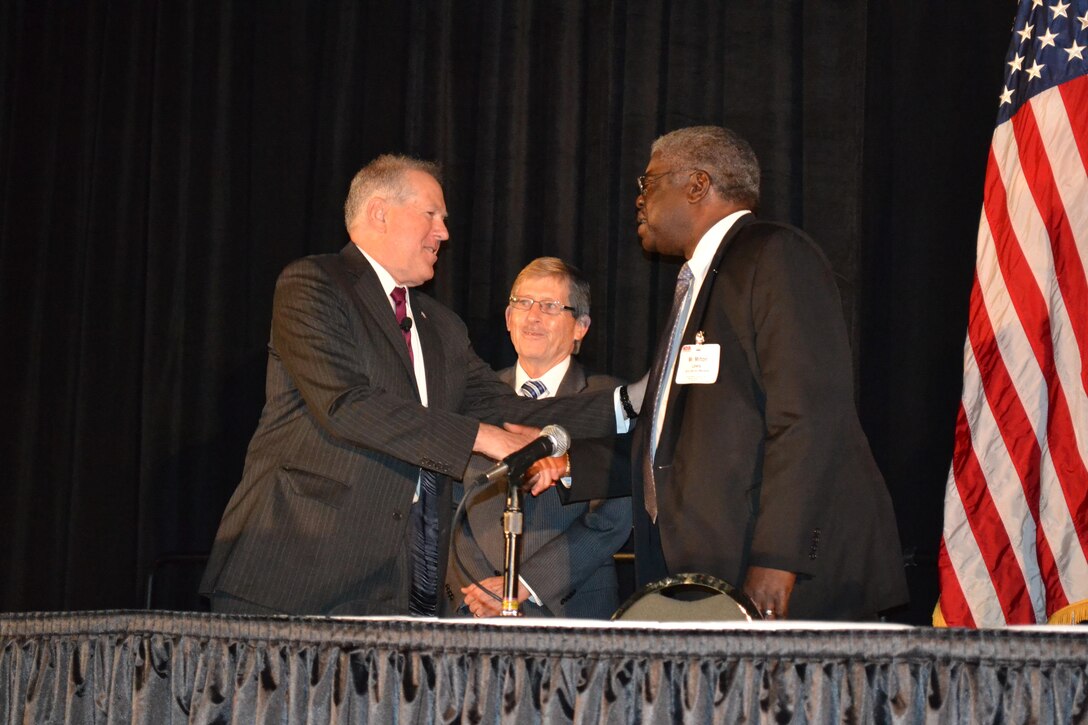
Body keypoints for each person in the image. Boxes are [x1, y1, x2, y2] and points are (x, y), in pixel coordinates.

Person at [199, 155, 619, 617]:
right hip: (297, 567)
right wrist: (487, 437)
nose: (444, 232)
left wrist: (631, 405)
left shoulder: (440, 325)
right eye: (432, 215)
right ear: (380, 212)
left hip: (399, 580)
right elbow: (348, 405)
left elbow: (509, 406)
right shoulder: (314, 284)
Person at [553, 126, 908, 621]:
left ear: (697, 185)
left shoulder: (774, 254)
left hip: (779, 579)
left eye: (647, 182)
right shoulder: (698, 283)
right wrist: (569, 463)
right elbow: (678, 444)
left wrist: (776, 561)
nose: (638, 200)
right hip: (702, 574)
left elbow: (809, 418)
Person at [448, 258, 632, 618]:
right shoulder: (471, 397)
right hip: (473, 605)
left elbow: (615, 516)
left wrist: (525, 583)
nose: (532, 316)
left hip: (571, 608)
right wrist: (479, 588)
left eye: (549, 306)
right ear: (507, 318)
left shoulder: (605, 400)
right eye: (522, 303)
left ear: (581, 327)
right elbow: (448, 502)